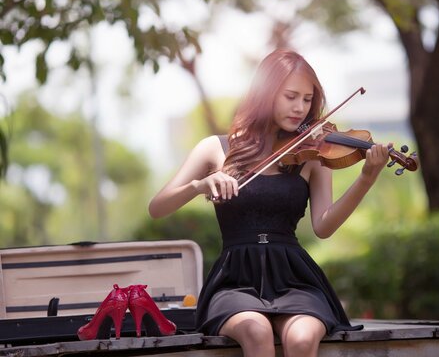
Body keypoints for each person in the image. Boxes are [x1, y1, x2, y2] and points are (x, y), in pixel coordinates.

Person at [148, 49, 390, 357]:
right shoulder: (216, 148)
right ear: (265, 93)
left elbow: (324, 226)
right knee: (256, 330)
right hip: (235, 280)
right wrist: (199, 185)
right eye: (290, 96)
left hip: (295, 278)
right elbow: (158, 207)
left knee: (302, 339)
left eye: (307, 99)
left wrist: (366, 178)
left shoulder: (313, 153)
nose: (300, 108)